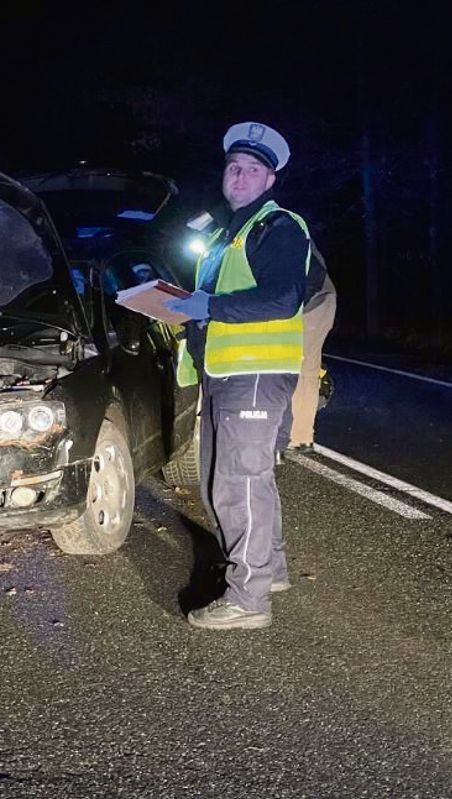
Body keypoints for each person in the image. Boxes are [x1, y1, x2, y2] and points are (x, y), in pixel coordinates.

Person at [165, 121, 311, 631]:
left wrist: (211, 305)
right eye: (234, 168)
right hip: (225, 374)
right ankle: (269, 572)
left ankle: (248, 600)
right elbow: (213, 302)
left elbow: (282, 297)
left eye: (253, 170)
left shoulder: (278, 227)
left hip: (253, 374)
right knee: (231, 480)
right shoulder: (228, 234)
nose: (241, 177)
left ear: (270, 181)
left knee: (237, 483)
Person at [277, 240, 337, 452]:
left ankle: (287, 436)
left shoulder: (276, 239)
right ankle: (302, 437)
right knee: (308, 371)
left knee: (289, 368)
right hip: (324, 300)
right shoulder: (298, 234)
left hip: (309, 304)